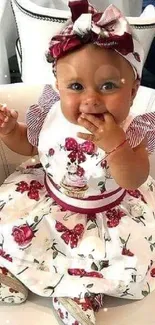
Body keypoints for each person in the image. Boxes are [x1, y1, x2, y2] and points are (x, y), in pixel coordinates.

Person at [0, 1, 155, 324]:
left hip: (106, 214)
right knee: (19, 233)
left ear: (135, 90)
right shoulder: (50, 111)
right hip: (50, 198)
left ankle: (79, 294)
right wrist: (10, 130)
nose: (90, 98)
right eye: (75, 86)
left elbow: (134, 178)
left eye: (109, 86)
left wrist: (117, 147)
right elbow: (30, 146)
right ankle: (12, 269)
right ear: (58, 87)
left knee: (102, 258)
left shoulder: (134, 128)